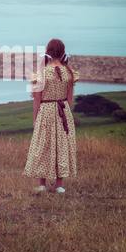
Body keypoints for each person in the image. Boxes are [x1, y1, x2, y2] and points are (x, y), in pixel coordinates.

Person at [23, 39, 79, 193]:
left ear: (47, 52)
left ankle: (42, 184)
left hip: (45, 111)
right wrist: (67, 115)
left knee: (43, 145)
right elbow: (69, 99)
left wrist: (35, 119)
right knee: (61, 146)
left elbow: (37, 99)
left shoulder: (40, 73)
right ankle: (59, 185)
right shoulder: (69, 73)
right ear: (63, 53)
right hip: (63, 111)